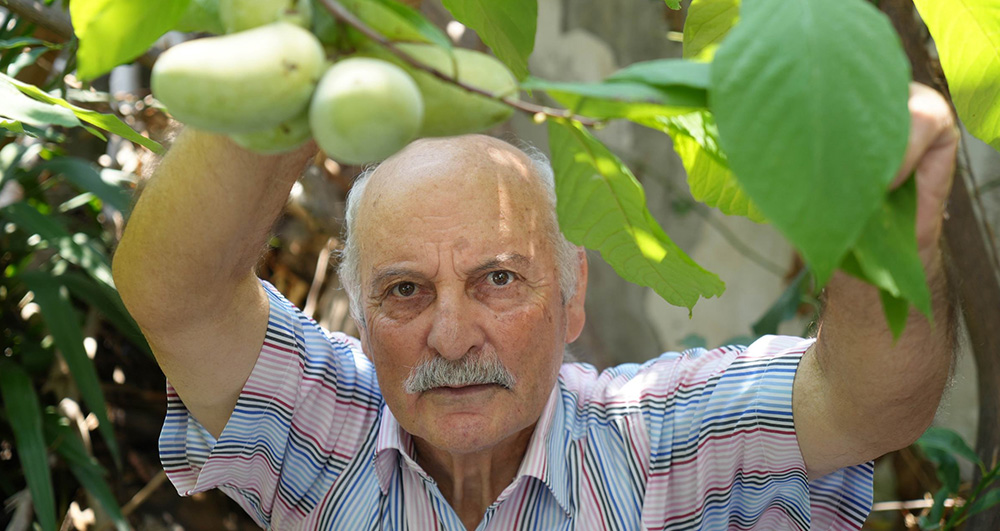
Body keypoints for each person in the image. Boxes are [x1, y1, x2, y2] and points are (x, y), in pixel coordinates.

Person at [113, 83, 958, 530]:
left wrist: (888, 243)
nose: (451, 333)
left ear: (573, 293)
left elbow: (869, 400)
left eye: (498, 279)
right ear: (360, 318)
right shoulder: (325, 430)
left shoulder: (666, 442)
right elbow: (174, 295)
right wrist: (307, 62)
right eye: (405, 290)